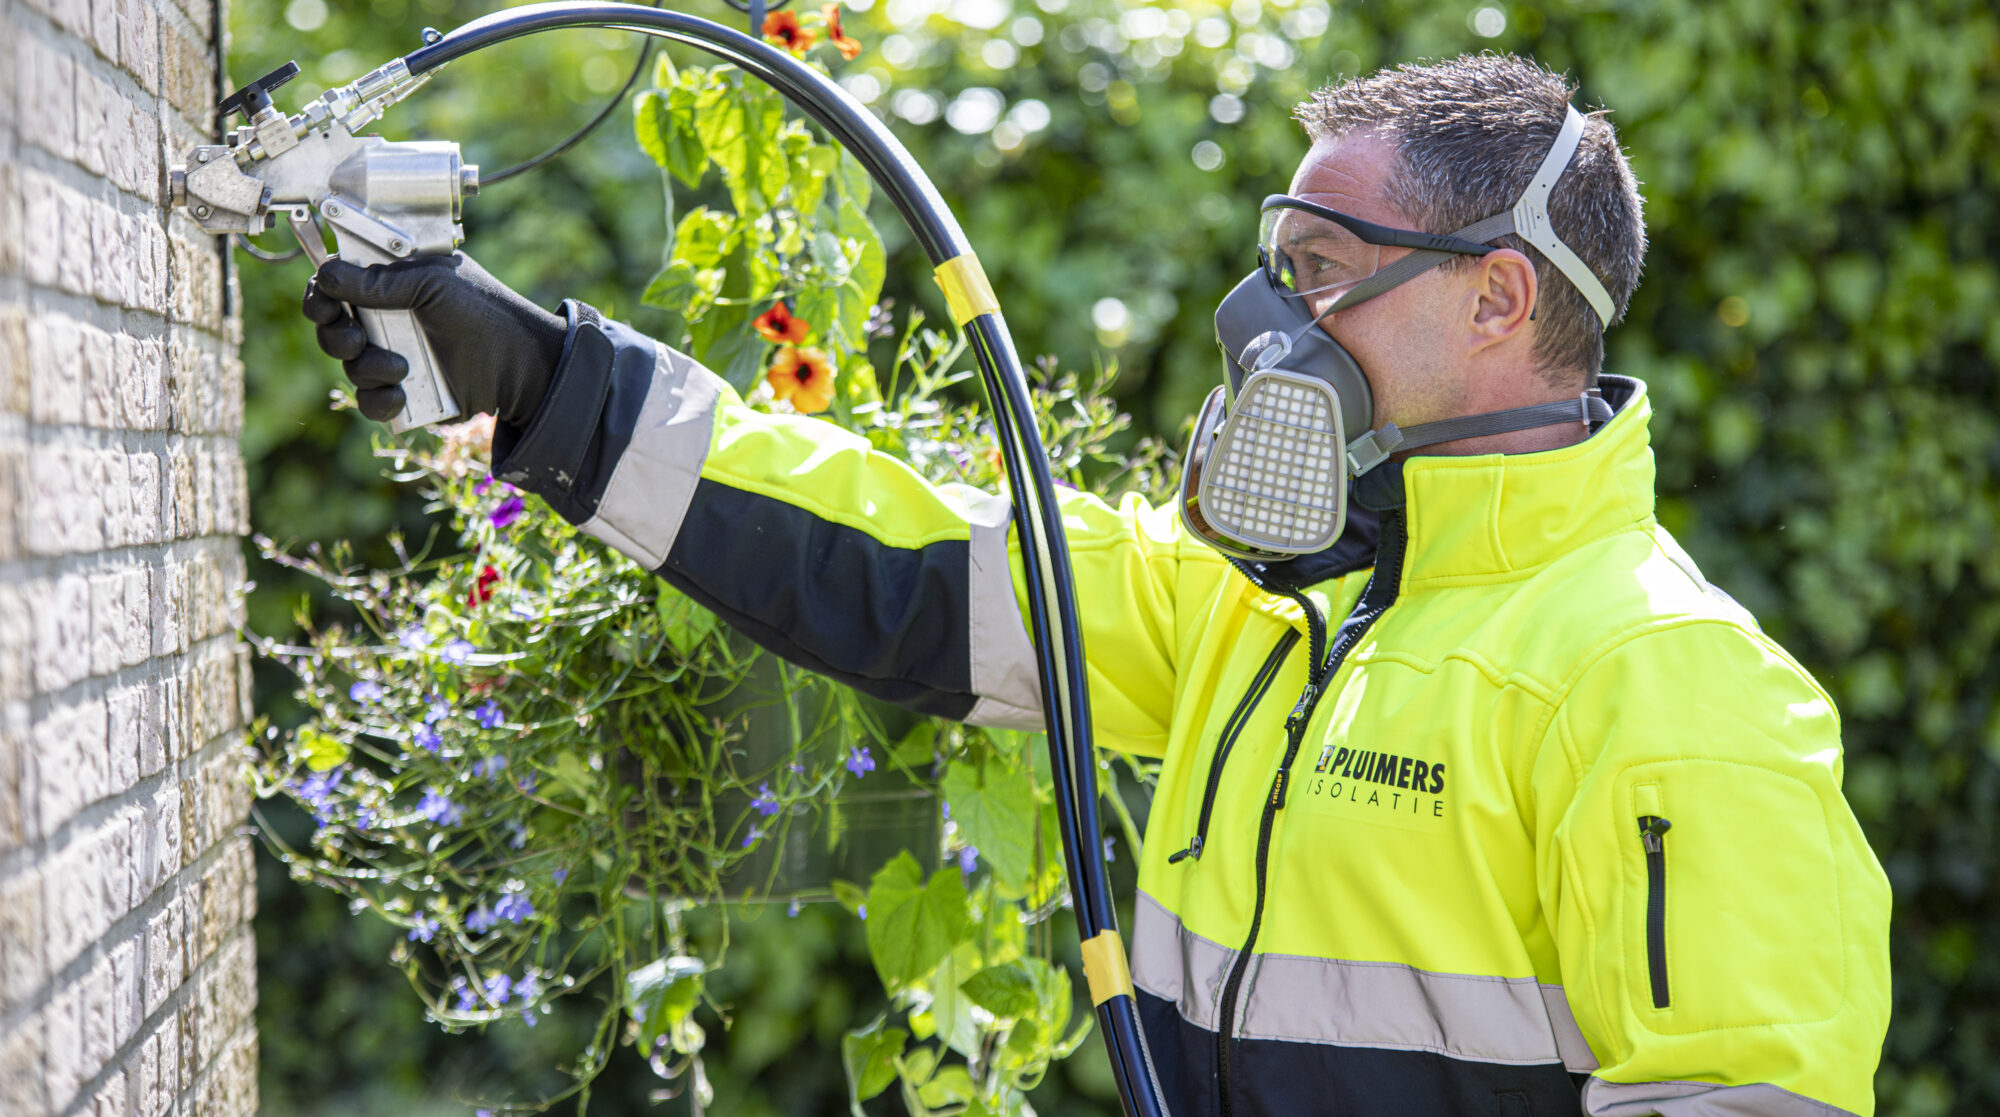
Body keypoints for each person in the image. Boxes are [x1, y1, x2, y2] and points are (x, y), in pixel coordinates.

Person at [303, 54, 1890, 1116]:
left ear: (1496, 296)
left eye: (1323, 274)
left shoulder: (1662, 682)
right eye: (1277, 268)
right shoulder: (1267, 610)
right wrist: (541, 385)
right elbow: (907, 561)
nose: (1269, 324)